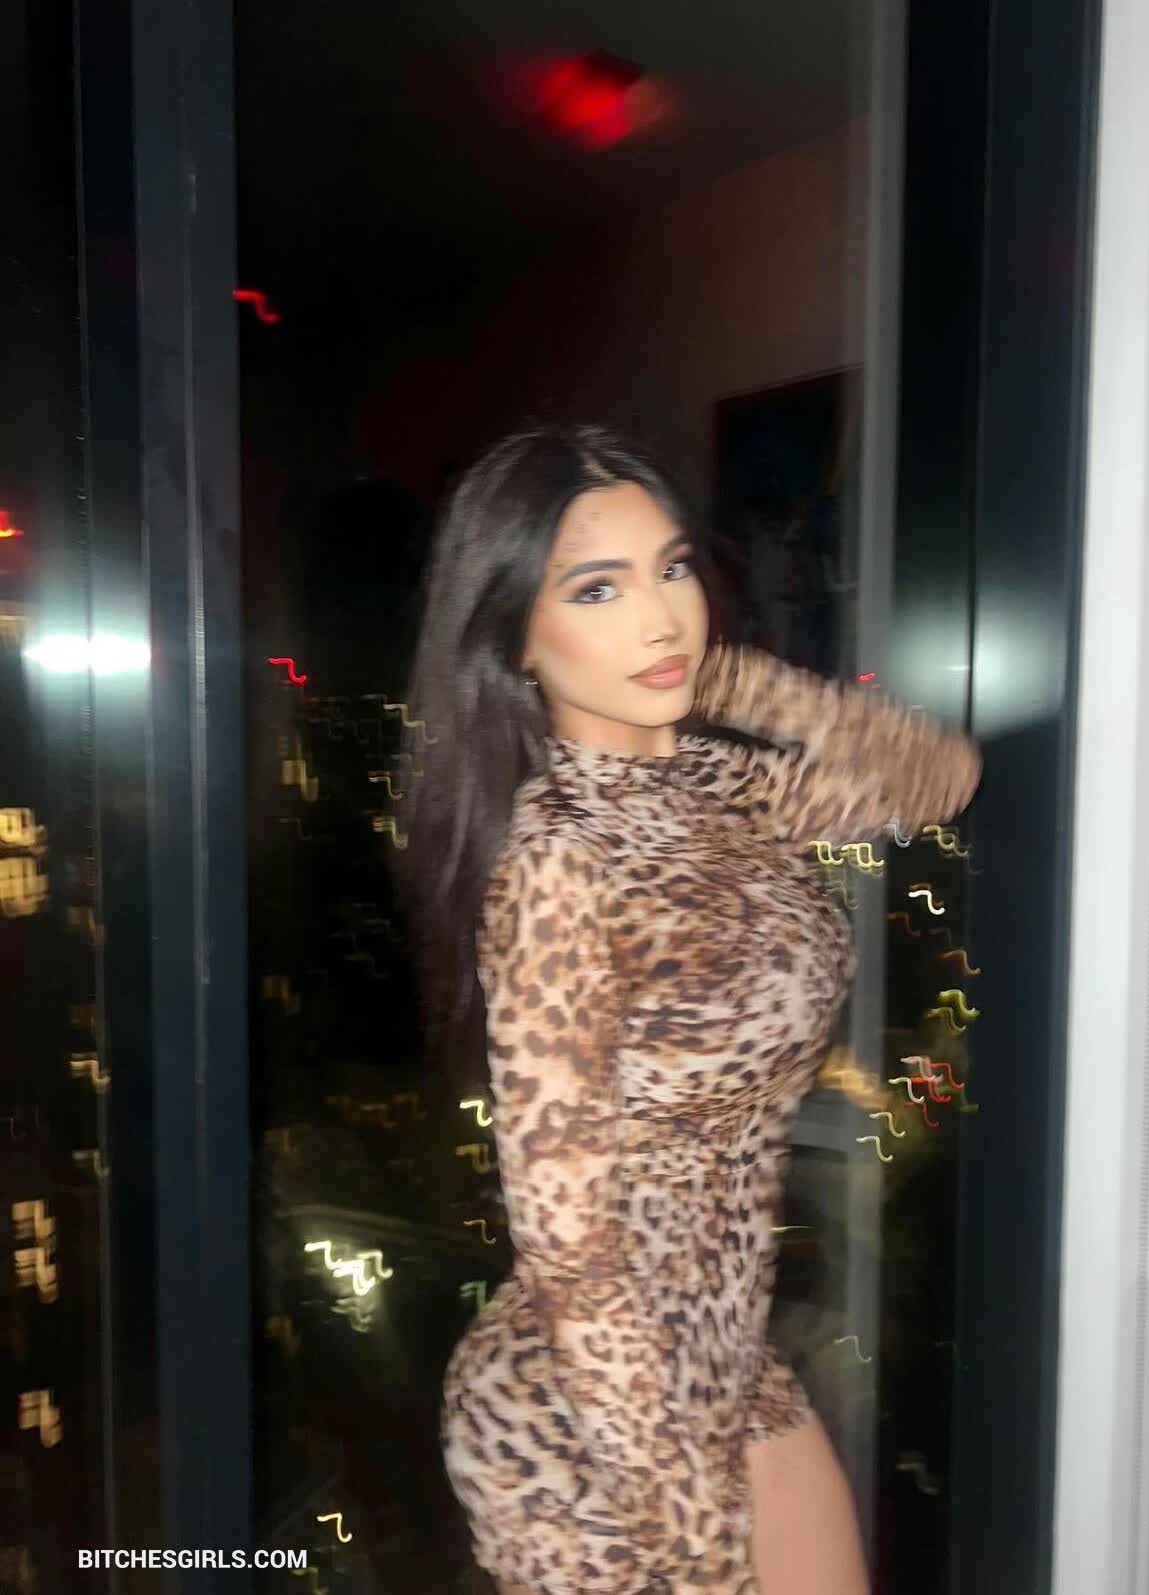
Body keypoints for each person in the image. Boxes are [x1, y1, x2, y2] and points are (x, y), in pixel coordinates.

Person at [404, 422, 981, 1595]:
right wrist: (677, 1510)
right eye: (597, 589)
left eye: (672, 569)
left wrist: (711, 670)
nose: (658, 614)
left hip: (723, 1360)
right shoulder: (561, 858)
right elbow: (570, 1243)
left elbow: (935, 773)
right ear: (515, 633)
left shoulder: (713, 785)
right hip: (591, 1422)